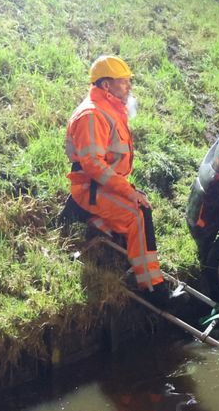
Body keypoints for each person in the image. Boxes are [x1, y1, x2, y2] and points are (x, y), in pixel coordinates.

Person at [65, 55, 169, 304]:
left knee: (140, 210)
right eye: (123, 82)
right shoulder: (92, 115)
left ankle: (94, 224)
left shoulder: (109, 109)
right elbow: (93, 165)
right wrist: (129, 192)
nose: (129, 87)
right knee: (136, 214)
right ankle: (153, 288)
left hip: (101, 185)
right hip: (90, 188)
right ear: (106, 86)